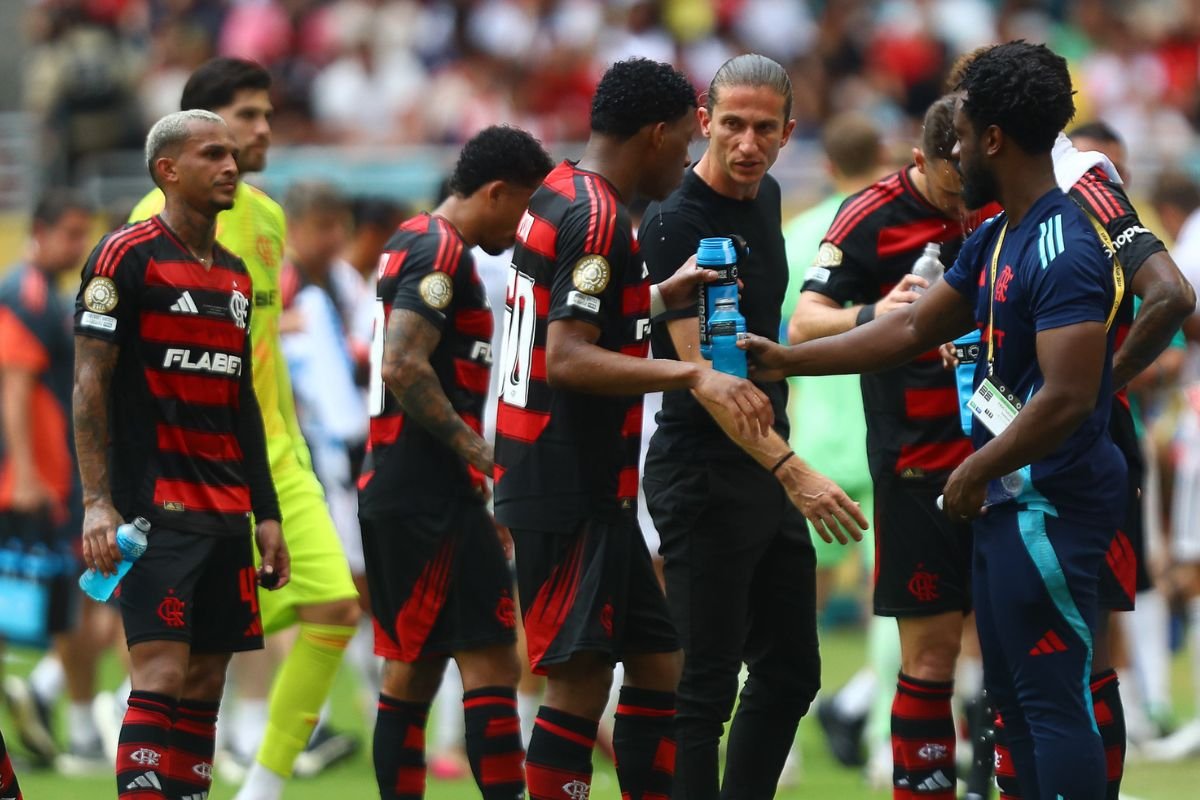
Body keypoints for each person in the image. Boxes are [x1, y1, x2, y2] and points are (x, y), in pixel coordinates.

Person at [743, 41, 1137, 798]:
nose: (948, 148)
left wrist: (976, 466)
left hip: (1045, 503)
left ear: (991, 139)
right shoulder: (996, 236)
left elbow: (1064, 395)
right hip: (994, 500)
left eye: (961, 133)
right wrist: (786, 360)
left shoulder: (1064, 243)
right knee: (1012, 702)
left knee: (1052, 699)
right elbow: (909, 331)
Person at [492, 57, 775, 800]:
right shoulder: (599, 217)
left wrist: (653, 295)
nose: (688, 157)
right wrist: (691, 373)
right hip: (564, 481)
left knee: (658, 665)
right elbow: (568, 358)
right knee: (578, 686)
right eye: (685, 140)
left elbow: (575, 317)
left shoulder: (559, 191)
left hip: (585, 483)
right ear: (655, 135)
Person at [126, 57, 362, 797]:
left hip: (272, 460)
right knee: (185, 660)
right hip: (184, 468)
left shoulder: (268, 220)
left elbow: (260, 352)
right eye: (247, 118)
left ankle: (261, 786)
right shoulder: (144, 228)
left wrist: (285, 453)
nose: (263, 131)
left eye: (264, 116)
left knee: (334, 609)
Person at [636, 54, 867, 800]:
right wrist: (793, 470)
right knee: (703, 685)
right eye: (732, 124)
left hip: (763, 464)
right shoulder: (676, 222)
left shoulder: (765, 198)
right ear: (704, 123)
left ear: (789, 133)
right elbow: (704, 380)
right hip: (704, 472)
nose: (747, 142)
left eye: (765, 128)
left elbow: (756, 350)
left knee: (793, 671)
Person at [73, 109, 289, 800]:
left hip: (227, 513)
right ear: (168, 170)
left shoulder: (231, 276)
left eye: (232, 154)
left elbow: (242, 404)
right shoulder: (123, 257)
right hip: (151, 510)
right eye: (212, 155)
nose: (231, 166)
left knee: (205, 684)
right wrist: (97, 501)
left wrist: (269, 513)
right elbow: (88, 386)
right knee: (161, 675)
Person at [789, 92, 993, 798]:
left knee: (1017, 651)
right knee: (926, 653)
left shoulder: (1009, 201)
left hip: (1013, 458)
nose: (964, 203)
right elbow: (804, 324)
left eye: (975, 184)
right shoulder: (870, 215)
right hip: (913, 464)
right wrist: (879, 312)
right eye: (950, 186)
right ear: (918, 162)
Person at [360, 124, 553, 800]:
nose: (529, 225)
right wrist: (483, 459)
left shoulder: (414, 240)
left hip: (403, 485)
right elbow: (404, 366)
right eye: (526, 207)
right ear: (497, 193)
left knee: (415, 667)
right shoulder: (441, 251)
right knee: (491, 659)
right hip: (426, 489)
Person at [779, 111, 894, 775]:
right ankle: (886, 743)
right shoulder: (892, 228)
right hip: (883, 433)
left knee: (791, 600)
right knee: (895, 599)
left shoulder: (795, 233)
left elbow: (776, 335)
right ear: (881, 159)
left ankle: (782, 745)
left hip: (814, 435)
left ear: (826, 165)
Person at [0, 190, 105, 771]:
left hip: (58, 476)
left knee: (81, 608)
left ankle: (80, 728)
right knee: (63, 610)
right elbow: (13, 387)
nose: (77, 244)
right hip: (36, 480)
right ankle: (83, 730)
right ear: (40, 231)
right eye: (70, 232)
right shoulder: (25, 295)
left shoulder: (52, 296)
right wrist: (26, 474)